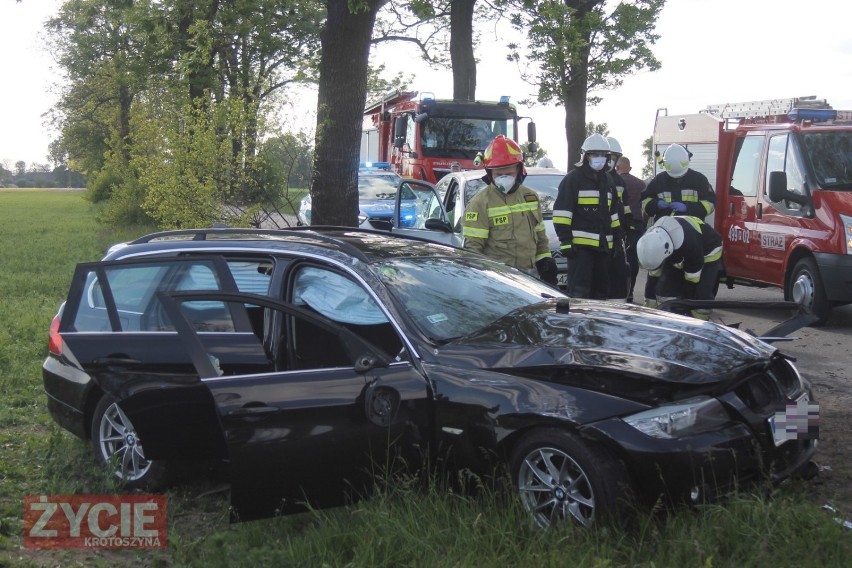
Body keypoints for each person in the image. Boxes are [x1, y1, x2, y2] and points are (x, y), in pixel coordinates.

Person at [462, 135, 558, 285]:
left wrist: (545, 261)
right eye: (499, 174)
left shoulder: (530, 197)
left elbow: (540, 237)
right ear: (490, 173)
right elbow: (473, 249)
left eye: (509, 173)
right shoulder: (479, 203)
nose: (504, 178)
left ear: (519, 170)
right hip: (498, 281)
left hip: (530, 279)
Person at [640, 144, 715, 307]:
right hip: (662, 238)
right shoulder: (658, 181)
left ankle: (682, 306)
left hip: (690, 237)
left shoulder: (699, 180)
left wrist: (687, 207)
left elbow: (710, 204)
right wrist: (655, 204)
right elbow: (645, 202)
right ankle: (652, 307)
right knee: (655, 274)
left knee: (687, 278)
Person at [553, 133, 622, 299]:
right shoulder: (573, 179)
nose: (599, 158)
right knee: (579, 292)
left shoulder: (608, 181)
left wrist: (618, 239)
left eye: (602, 155)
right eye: (594, 154)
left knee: (601, 292)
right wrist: (566, 241)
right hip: (580, 250)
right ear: (585, 156)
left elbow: (612, 213)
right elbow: (562, 213)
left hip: (603, 248)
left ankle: (597, 323)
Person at [636, 215, 722, 320]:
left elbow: (692, 282)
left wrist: (685, 307)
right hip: (678, 250)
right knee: (665, 291)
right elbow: (653, 279)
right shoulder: (654, 242)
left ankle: (699, 325)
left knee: (700, 295)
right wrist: (648, 311)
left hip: (708, 251)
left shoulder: (690, 245)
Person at [615, 155, 647, 303]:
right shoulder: (641, 184)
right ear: (630, 168)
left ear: (617, 168)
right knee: (633, 260)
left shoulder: (614, 182)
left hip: (619, 225)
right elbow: (646, 208)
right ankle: (630, 292)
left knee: (618, 259)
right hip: (637, 226)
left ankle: (620, 291)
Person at [604, 137, 630, 300]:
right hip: (597, 238)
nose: (611, 161)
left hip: (616, 237)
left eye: (615, 158)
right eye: (610, 157)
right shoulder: (589, 179)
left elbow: (623, 207)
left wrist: (627, 228)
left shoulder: (619, 181)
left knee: (618, 276)